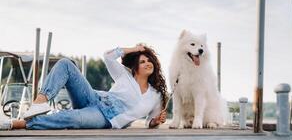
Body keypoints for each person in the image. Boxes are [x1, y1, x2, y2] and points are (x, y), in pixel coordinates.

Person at [0, 45, 168, 130]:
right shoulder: (125, 74)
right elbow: (108, 56)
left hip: (106, 118)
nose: (147, 63)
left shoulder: (156, 95)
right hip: (95, 98)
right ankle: (40, 102)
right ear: (135, 67)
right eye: (142, 61)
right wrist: (135, 49)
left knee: (72, 118)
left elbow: (150, 123)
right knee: (66, 63)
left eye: (149, 60)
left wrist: (156, 121)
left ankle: (16, 124)